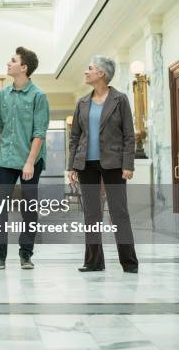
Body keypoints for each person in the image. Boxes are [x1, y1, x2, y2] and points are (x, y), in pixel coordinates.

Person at [67, 56, 139, 273]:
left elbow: (129, 134)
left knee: (119, 212)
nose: (86, 72)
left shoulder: (120, 99)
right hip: (86, 164)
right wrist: (72, 166)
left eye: (90, 69)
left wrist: (129, 164)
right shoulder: (82, 102)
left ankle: (129, 262)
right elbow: (75, 137)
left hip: (114, 164)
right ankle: (93, 261)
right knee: (91, 213)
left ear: (102, 74)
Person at [0, 47, 49, 271]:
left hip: (30, 160)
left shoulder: (38, 96)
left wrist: (29, 162)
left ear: (24, 67)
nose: (8, 63)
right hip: (6, 160)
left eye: (12, 61)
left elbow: (39, 132)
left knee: (29, 209)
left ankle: (26, 254)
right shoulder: (3, 95)